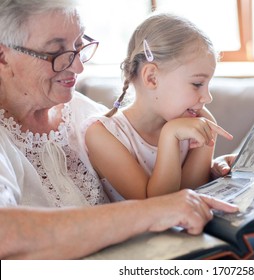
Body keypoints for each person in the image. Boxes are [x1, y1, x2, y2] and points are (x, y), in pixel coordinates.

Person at [0, 0, 237, 259]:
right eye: (57, 52)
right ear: (3, 56)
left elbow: (163, 178)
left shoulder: (84, 112)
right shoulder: (98, 129)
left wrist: (210, 170)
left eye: (80, 46)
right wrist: (154, 211)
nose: (79, 67)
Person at [84, 13, 233, 201]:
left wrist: (212, 165)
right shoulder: (102, 135)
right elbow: (157, 205)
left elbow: (191, 194)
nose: (207, 97)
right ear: (152, 78)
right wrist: (170, 135)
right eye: (197, 84)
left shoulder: (199, 120)